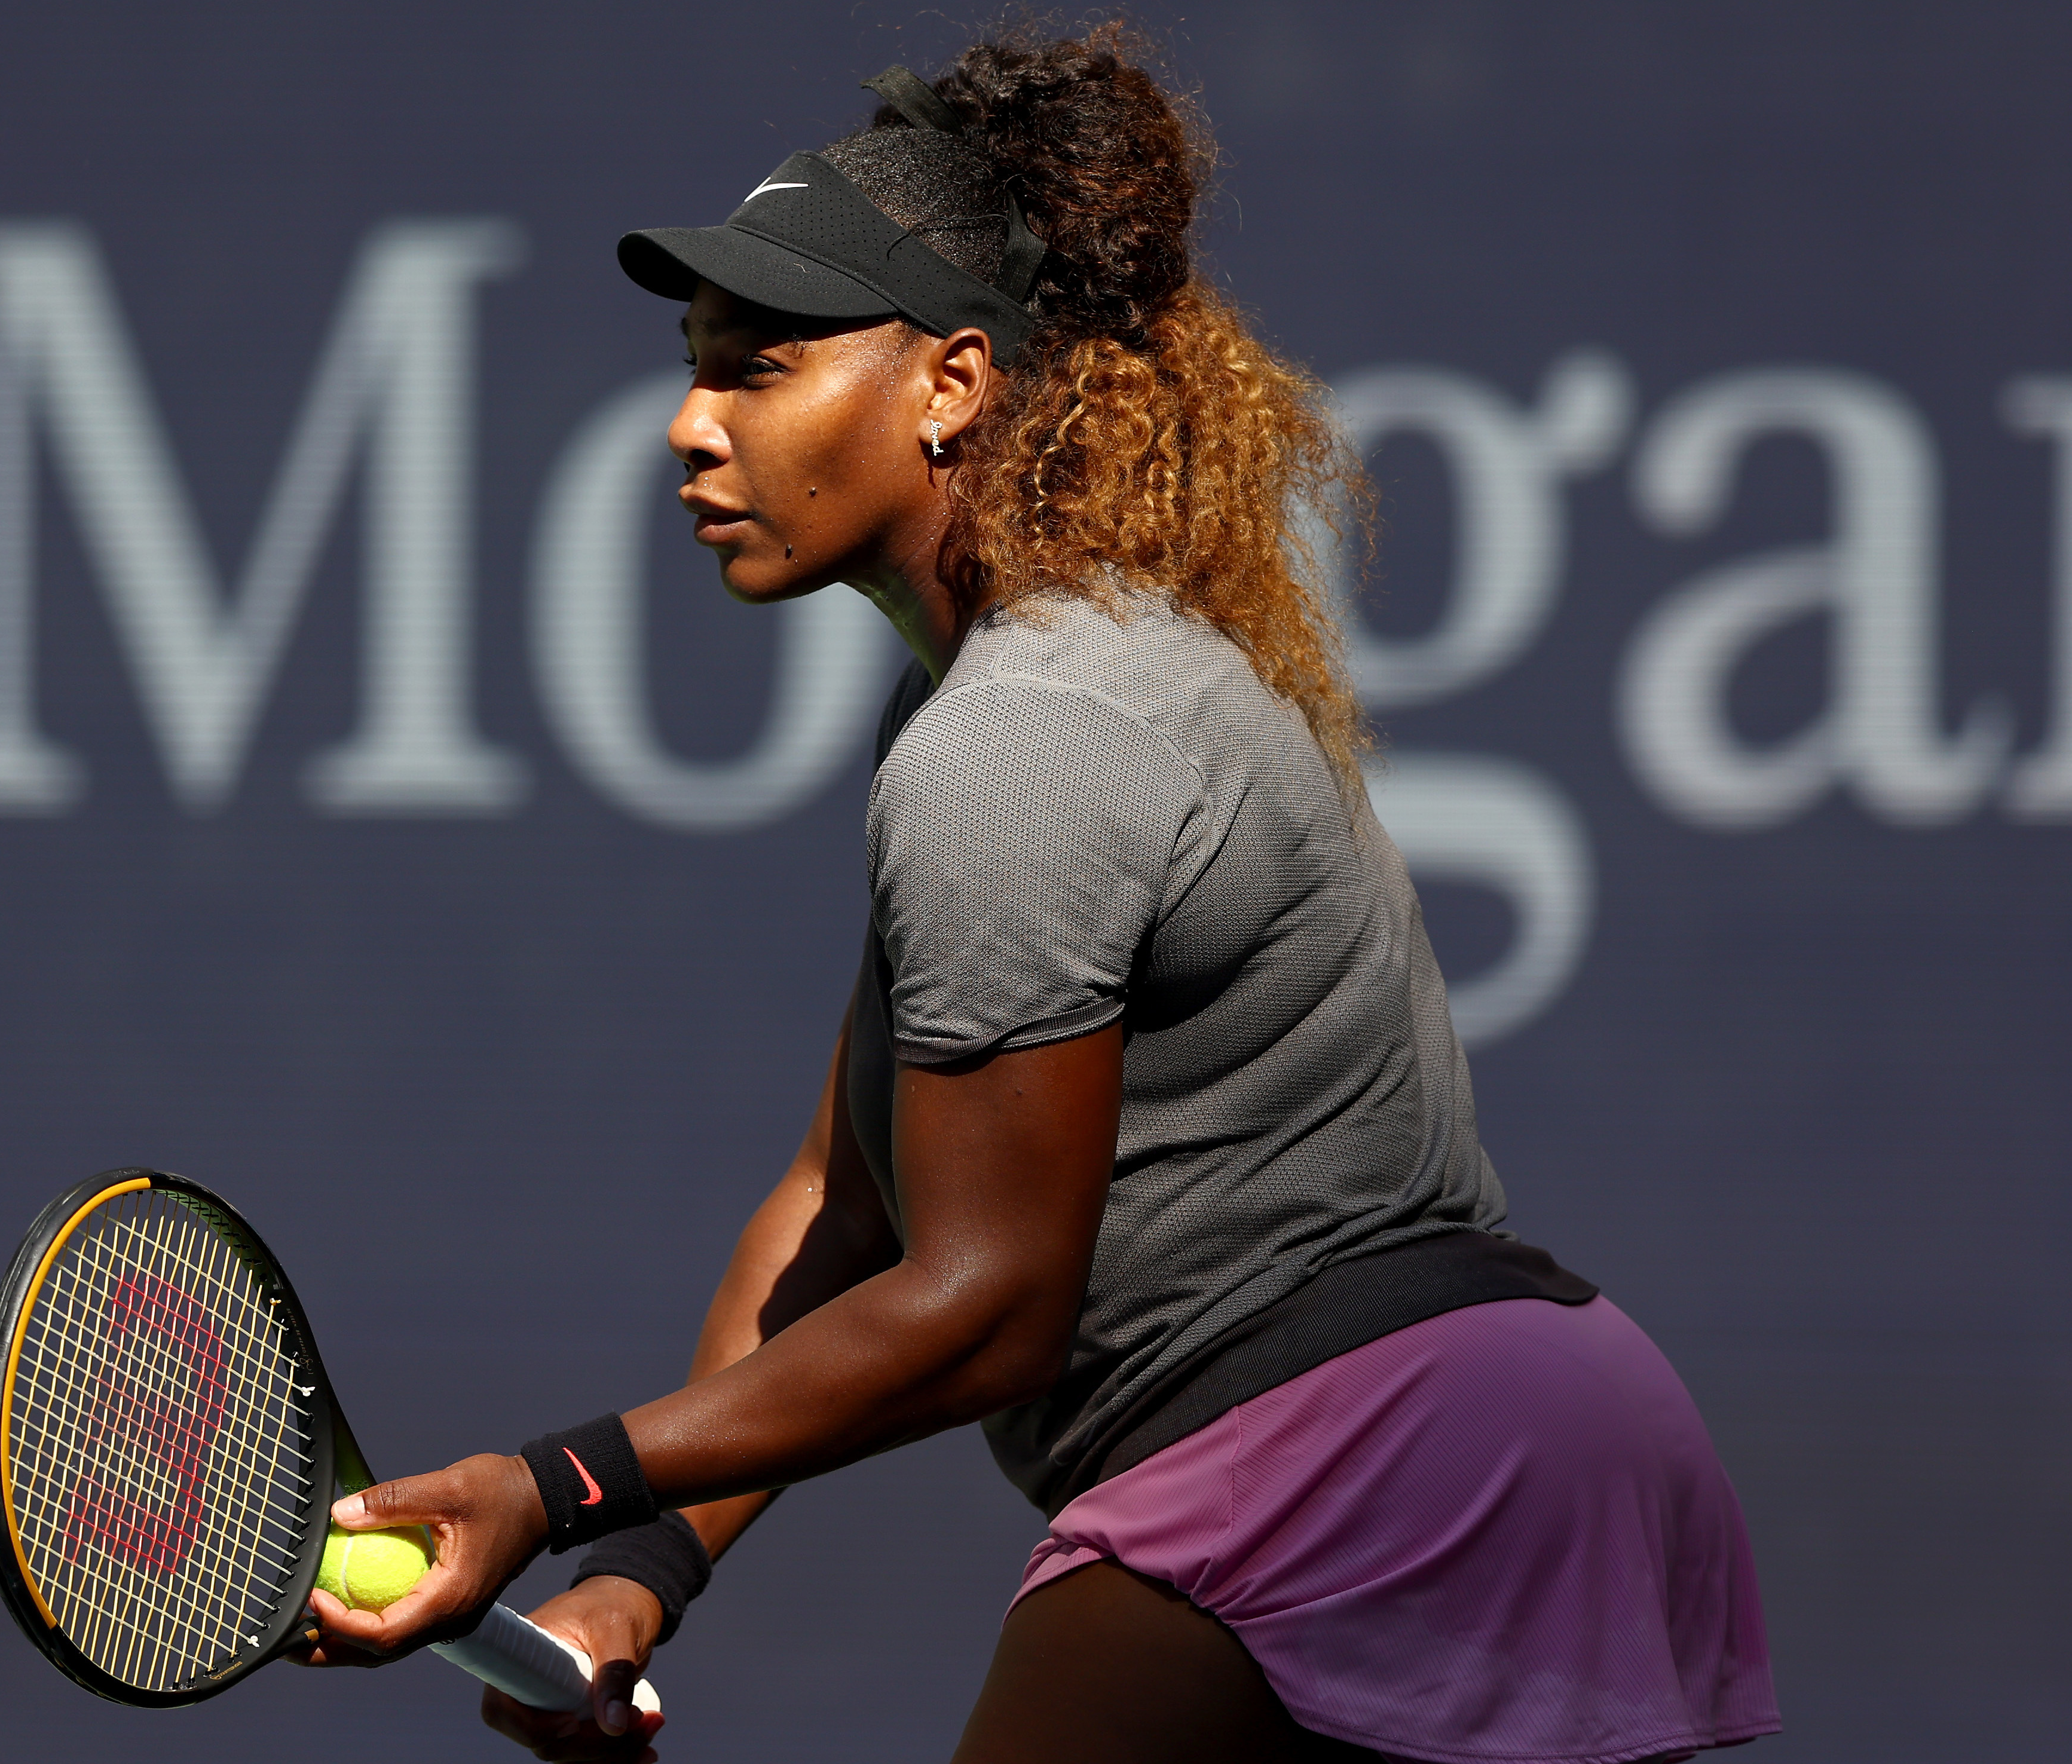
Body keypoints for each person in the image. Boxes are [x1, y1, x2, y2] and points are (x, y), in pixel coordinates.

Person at [292, 27, 1781, 1764]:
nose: (691, 428)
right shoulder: (1011, 689)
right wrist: (634, 1570)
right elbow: (843, 1211)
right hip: (1520, 1441)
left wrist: (545, 1487)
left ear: (954, 385)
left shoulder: (1022, 739)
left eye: (760, 369)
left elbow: (992, 1304)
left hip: (1363, 1464)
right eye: (695, 367)